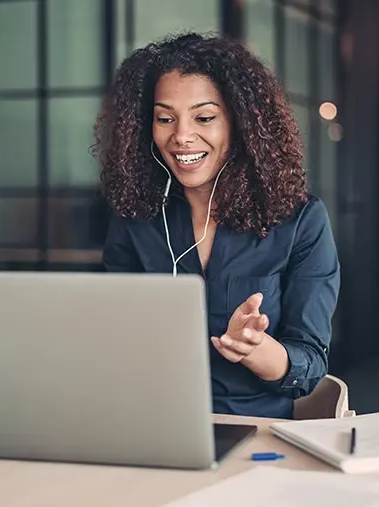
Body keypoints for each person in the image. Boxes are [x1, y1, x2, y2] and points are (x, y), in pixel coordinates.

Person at [93, 33, 340, 419]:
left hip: (256, 430)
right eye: (164, 118)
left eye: (204, 117)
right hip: (151, 422)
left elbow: (308, 366)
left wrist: (255, 349)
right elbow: (112, 341)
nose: (182, 136)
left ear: (240, 124)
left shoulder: (300, 220)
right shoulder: (135, 219)